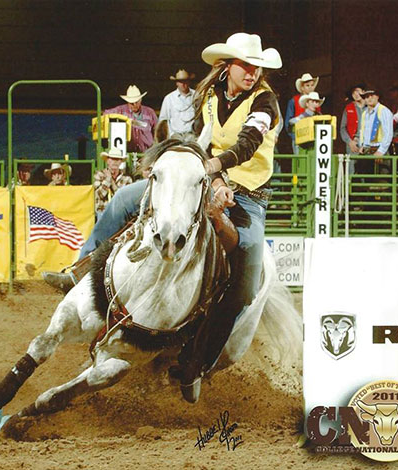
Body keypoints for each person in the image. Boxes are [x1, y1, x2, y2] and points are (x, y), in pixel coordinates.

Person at [43, 32, 282, 401]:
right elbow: (203, 138)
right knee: (124, 198)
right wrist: (189, 167)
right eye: (246, 66)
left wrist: (214, 166)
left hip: (247, 197)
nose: (252, 73)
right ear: (229, 66)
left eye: (256, 67)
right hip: (203, 180)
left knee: (246, 280)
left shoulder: (265, 101)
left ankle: (196, 362)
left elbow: (249, 142)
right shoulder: (212, 96)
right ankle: (79, 270)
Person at [105, 85, 158, 153]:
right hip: (128, 151)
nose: (134, 105)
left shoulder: (150, 112)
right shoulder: (121, 110)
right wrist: (122, 119)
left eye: (137, 102)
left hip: (147, 152)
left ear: (141, 100)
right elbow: (106, 113)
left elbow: (157, 130)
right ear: (127, 102)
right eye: (132, 103)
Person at [355, 88, 394, 175]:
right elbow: (362, 131)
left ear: (377, 97)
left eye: (372, 96)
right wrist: (361, 145)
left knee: (382, 182)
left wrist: (381, 151)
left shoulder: (384, 111)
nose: (369, 98)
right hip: (366, 151)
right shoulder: (364, 113)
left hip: (379, 150)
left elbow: (388, 133)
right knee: (364, 180)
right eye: (367, 96)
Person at [284, 73, 320, 153]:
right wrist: (295, 137)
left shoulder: (316, 103)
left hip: (313, 139)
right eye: (307, 85)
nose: (310, 88)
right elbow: (288, 123)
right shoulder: (293, 101)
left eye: (312, 85)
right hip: (299, 138)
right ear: (302, 88)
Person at [94, 148, 133, 218]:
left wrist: (111, 182)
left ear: (120, 162)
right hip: (103, 212)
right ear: (108, 161)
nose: (115, 162)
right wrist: (108, 179)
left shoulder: (127, 179)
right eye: (112, 159)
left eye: (117, 159)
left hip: (120, 213)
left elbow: (124, 199)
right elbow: (100, 195)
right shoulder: (99, 175)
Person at [158, 69, 195, 138]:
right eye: (180, 82)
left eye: (185, 81)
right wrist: (171, 134)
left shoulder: (196, 96)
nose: (183, 84)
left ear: (189, 81)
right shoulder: (169, 98)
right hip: (175, 135)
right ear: (176, 83)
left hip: (192, 135)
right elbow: (163, 120)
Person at [340, 83, 366, 174]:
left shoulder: (370, 107)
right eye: (353, 92)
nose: (356, 94)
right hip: (353, 143)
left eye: (358, 91)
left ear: (364, 92)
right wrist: (349, 141)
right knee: (351, 169)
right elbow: (342, 128)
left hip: (367, 143)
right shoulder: (348, 108)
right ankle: (350, 186)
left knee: (366, 170)